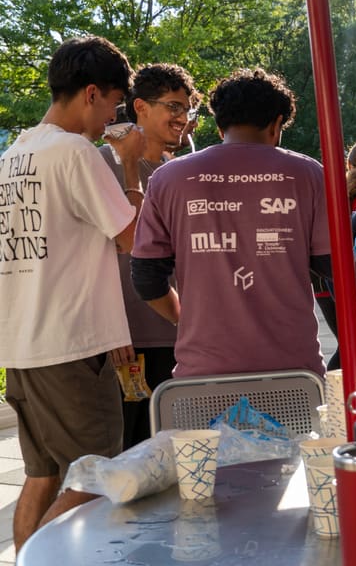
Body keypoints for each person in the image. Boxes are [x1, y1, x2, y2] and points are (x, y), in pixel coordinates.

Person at [1, 35, 146, 552]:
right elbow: (133, 238)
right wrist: (129, 164)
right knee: (97, 474)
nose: (112, 118)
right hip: (70, 347)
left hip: (21, 345)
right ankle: (41, 560)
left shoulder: (15, 153)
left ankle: (25, 559)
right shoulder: (75, 152)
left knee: (40, 475)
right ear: (90, 93)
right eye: (112, 104)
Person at [131, 68, 332, 378]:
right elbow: (332, 266)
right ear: (277, 124)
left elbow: (146, 277)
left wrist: (187, 320)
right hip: (294, 372)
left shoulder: (169, 178)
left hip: (203, 371)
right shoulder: (308, 175)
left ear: (220, 123)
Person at [98, 63, 200, 448]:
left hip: (176, 334)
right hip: (124, 339)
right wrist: (109, 327)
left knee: (169, 454)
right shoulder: (103, 163)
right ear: (139, 106)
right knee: (126, 457)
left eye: (187, 109)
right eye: (173, 107)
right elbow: (93, 253)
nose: (183, 118)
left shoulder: (178, 172)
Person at [314, 141, 356, 370]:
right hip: (355, 283)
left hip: (322, 280)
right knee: (352, 349)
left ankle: (334, 399)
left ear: (347, 164)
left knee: (347, 347)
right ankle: (332, 399)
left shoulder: (330, 194)